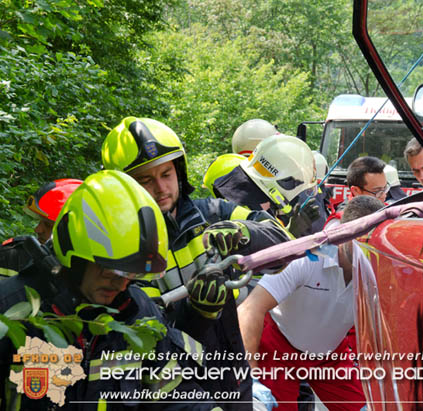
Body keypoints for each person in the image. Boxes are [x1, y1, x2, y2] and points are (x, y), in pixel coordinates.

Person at [101, 117, 291, 409]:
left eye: (167, 173)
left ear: (180, 170)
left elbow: (284, 243)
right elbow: (146, 345)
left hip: (233, 380)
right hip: (171, 393)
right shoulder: (119, 251)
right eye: (146, 180)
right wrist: (197, 315)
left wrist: (243, 234)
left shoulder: (214, 212)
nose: (162, 188)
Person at [0, 170, 223, 410]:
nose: (121, 284)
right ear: (74, 254)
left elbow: (174, 397)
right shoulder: (11, 312)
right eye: (111, 271)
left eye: (131, 274)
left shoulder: (137, 312)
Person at [238, 195, 385, 410]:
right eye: (365, 243)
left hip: (330, 354)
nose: (372, 252)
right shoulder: (309, 255)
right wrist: (249, 376)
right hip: (278, 349)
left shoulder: (382, 265)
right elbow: (251, 308)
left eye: (377, 243)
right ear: (345, 235)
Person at [212, 134, 324, 238]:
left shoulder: (235, 194)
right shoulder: (243, 213)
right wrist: (289, 234)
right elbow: (257, 254)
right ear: (284, 183)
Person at [0, 179, 82, 279]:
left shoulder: (93, 275)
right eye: (40, 221)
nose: (37, 230)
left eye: (48, 225)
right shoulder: (12, 257)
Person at [324, 156, 388, 229]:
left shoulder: (389, 209)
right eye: (377, 191)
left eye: (385, 188)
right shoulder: (338, 224)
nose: (384, 195)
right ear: (356, 191)